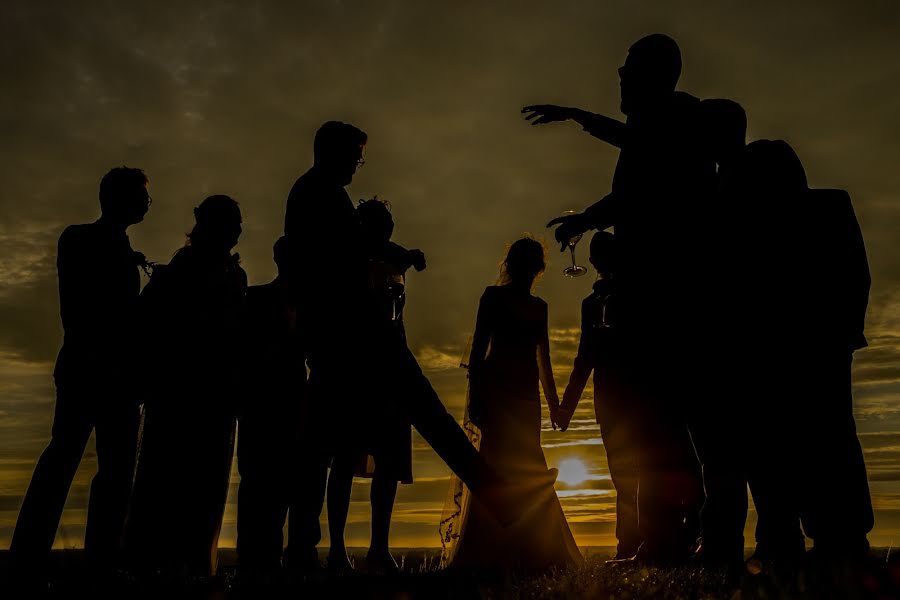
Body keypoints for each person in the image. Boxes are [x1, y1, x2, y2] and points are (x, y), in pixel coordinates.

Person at [285, 121, 515, 571]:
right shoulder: (319, 195)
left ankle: (302, 548)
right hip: (353, 337)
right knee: (402, 417)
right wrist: (402, 254)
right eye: (354, 154)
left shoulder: (321, 194)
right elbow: (345, 253)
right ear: (331, 151)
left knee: (333, 441)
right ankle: (502, 496)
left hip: (354, 338)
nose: (358, 163)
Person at [525, 34, 710, 562]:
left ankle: (682, 536)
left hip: (668, 299)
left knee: (670, 425)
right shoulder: (654, 132)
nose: (619, 73)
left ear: (655, 74)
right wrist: (587, 217)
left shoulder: (676, 118)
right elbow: (632, 193)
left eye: (629, 66)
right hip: (649, 298)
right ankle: (660, 538)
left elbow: (645, 157)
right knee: (656, 425)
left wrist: (575, 115)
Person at [10, 167, 151, 588]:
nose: (148, 204)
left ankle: (97, 561)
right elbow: (88, 313)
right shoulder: (81, 239)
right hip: (94, 372)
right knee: (67, 461)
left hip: (109, 376)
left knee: (109, 470)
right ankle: (33, 561)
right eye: (142, 196)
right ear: (118, 198)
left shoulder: (109, 246)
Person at [125, 195, 247, 578]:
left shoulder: (232, 274)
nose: (238, 231)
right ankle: (160, 562)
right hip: (182, 390)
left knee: (204, 481)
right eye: (232, 223)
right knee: (172, 477)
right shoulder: (184, 268)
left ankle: (192, 562)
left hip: (216, 391)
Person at [444, 238, 582, 570]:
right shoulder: (492, 298)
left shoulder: (540, 307)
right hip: (498, 395)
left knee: (527, 467)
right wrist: (477, 398)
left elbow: (542, 359)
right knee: (496, 467)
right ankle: (491, 551)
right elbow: (477, 353)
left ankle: (534, 549)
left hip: (524, 400)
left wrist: (554, 405)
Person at [325, 198, 426, 573]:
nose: (385, 232)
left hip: (391, 369)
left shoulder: (393, 263)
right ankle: (337, 549)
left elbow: (400, 256)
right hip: (355, 371)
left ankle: (378, 549)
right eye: (378, 225)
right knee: (344, 459)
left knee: (387, 462)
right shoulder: (348, 260)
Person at [557, 231, 640, 560]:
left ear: (591, 263)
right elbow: (584, 357)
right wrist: (566, 408)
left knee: (633, 471)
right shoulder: (592, 305)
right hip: (613, 397)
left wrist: (566, 408)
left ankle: (638, 543)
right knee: (625, 472)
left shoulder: (617, 299)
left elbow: (584, 359)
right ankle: (630, 544)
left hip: (628, 394)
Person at [235, 236, 305, 580]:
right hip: (262, 401)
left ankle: (269, 558)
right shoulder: (258, 299)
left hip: (289, 402)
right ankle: (251, 560)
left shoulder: (306, 305)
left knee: (280, 485)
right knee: (257, 483)